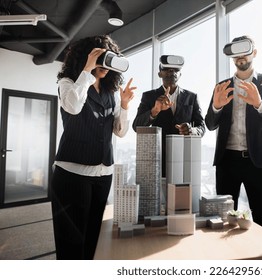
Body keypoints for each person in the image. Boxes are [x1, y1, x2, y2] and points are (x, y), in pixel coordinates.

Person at [50, 35, 136, 259]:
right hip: (72, 174)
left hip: (103, 174)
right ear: (86, 59)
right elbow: (73, 107)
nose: (106, 67)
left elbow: (120, 131)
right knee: (71, 242)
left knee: (94, 240)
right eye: (101, 59)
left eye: (110, 61)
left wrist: (124, 105)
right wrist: (87, 72)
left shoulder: (110, 93)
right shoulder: (68, 83)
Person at [205, 35, 262, 231]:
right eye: (236, 54)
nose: (240, 57)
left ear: (255, 53)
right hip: (227, 161)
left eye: (245, 52)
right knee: (224, 220)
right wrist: (216, 107)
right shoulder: (222, 86)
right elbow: (209, 124)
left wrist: (259, 104)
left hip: (259, 162)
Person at [132, 55, 205, 177]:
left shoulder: (192, 97)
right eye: (167, 69)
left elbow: (201, 127)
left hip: (183, 159)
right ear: (160, 74)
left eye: (176, 70)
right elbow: (136, 127)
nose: (172, 72)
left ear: (180, 74)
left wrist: (191, 130)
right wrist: (154, 111)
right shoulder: (149, 96)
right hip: (156, 160)